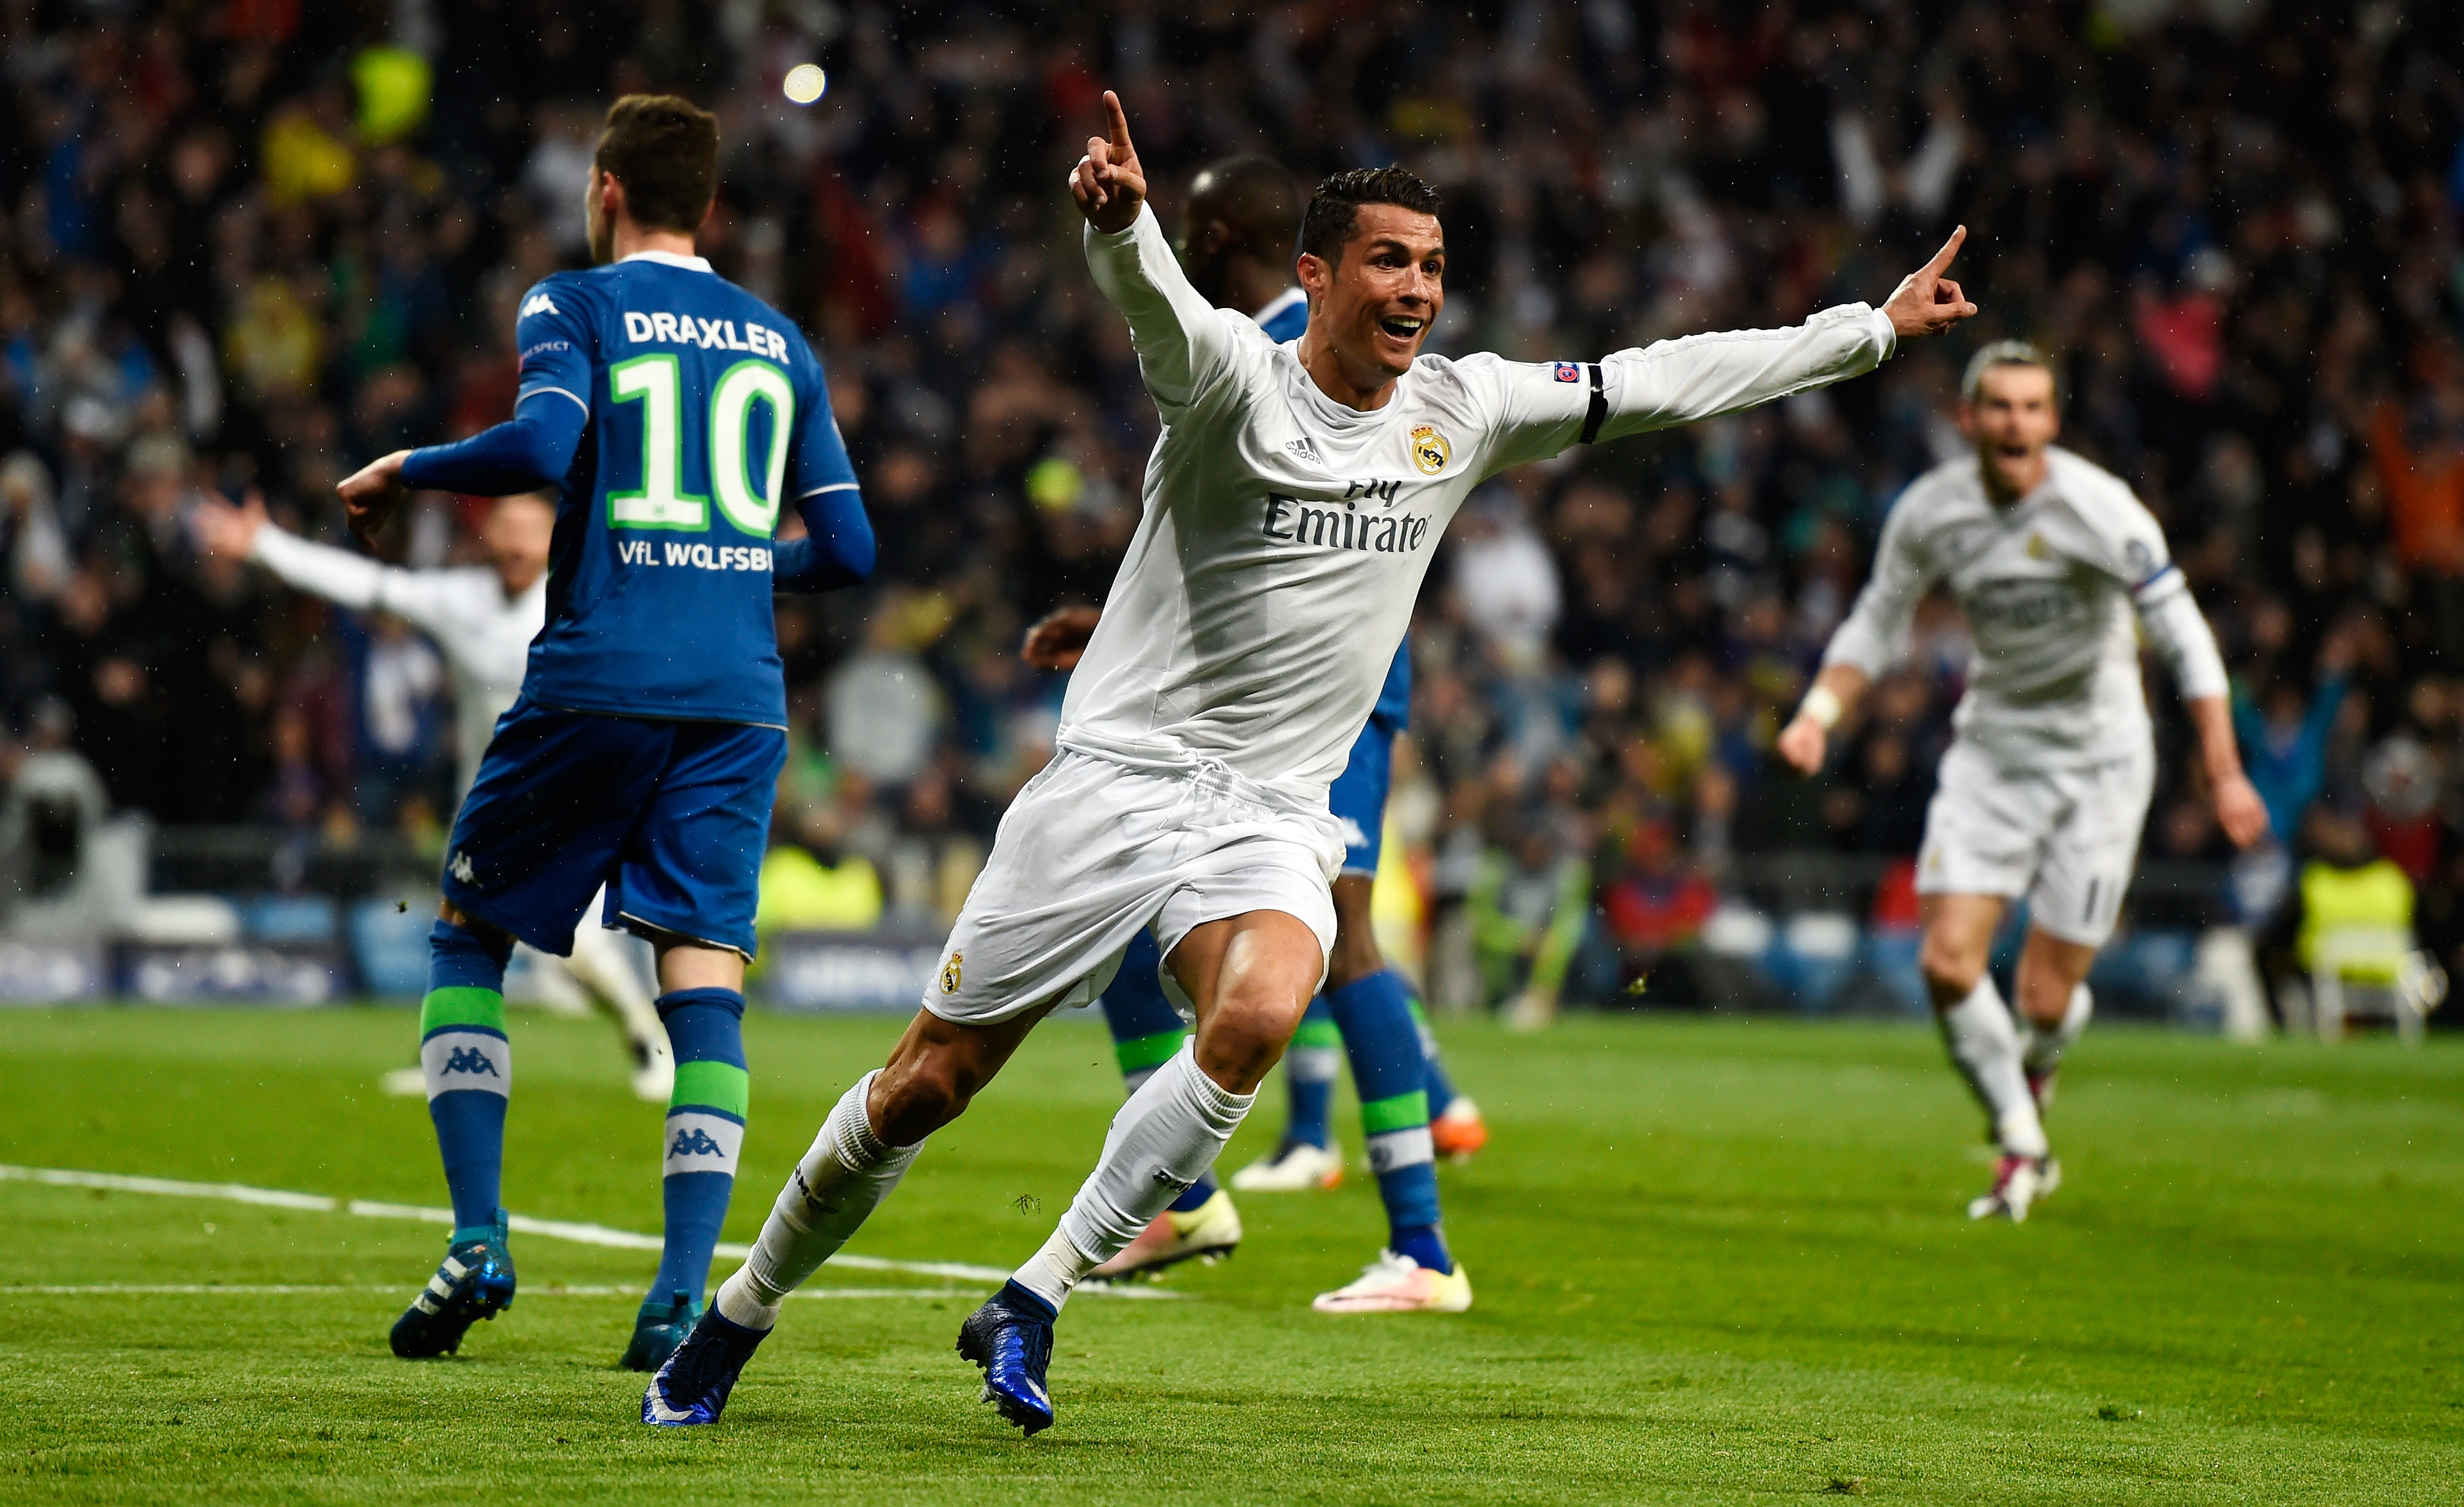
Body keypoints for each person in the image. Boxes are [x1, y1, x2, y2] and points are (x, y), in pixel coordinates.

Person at [646, 91, 1970, 1435]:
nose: (1418, 291)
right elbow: (1155, 307)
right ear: (1318, 276)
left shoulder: (1466, 408)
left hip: (1274, 807)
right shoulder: (1232, 379)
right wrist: (1121, 228)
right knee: (928, 1082)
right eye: (1391, 261)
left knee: (1267, 1008)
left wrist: (1868, 329)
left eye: (1435, 267)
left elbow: (1668, 375)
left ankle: (1035, 1293)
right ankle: (733, 1319)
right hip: (1117, 781)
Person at [332, 96, 874, 1372]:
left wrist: (404, 466)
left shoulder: (571, 304)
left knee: (469, 935)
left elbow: (541, 444)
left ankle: (478, 1237)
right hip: (737, 696)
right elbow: (849, 550)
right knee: (704, 983)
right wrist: (725, 562)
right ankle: (682, 1295)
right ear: (713, 208)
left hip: (599, 674)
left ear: (607, 186)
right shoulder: (780, 338)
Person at [1019, 154, 1485, 1302]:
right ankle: (1193, 1191)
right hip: (1259, 700)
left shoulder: (1285, 345)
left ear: (1219, 231)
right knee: (1139, 916)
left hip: (1320, 710)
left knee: (1344, 934)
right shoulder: (1285, 343)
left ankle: (1415, 1236)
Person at [1777, 342, 2268, 1222]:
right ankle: (2020, 1140)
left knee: (2046, 997)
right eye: (1998, 407)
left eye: (2032, 408)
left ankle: (2036, 1067)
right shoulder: (1931, 512)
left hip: (2101, 762)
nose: (2016, 423)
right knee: (1945, 960)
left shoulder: (2102, 509)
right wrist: (1817, 713)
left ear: (2053, 420)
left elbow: (2188, 643)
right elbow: (1875, 620)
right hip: (1994, 755)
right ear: (1968, 419)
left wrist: (2224, 773)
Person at [192, 490, 677, 1102]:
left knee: (566, 946)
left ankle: (647, 1036)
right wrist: (265, 546)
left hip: (566, 800)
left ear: (555, 539)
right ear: (489, 537)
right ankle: (458, 1058)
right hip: (486, 801)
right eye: (509, 527)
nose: (520, 542)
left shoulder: (585, 604)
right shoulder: (461, 600)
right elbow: (370, 585)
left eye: (534, 529)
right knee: (466, 936)